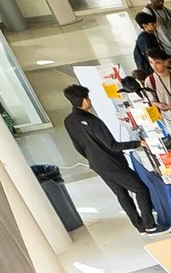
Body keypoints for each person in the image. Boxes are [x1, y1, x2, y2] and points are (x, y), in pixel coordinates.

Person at [60, 85, 162, 234]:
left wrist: (93, 157)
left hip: (97, 164)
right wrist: (138, 143)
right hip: (112, 163)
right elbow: (112, 145)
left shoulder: (68, 121)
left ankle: (139, 226)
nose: (90, 101)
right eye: (88, 98)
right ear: (84, 100)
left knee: (121, 194)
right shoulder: (94, 121)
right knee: (140, 189)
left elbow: (78, 146)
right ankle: (150, 225)